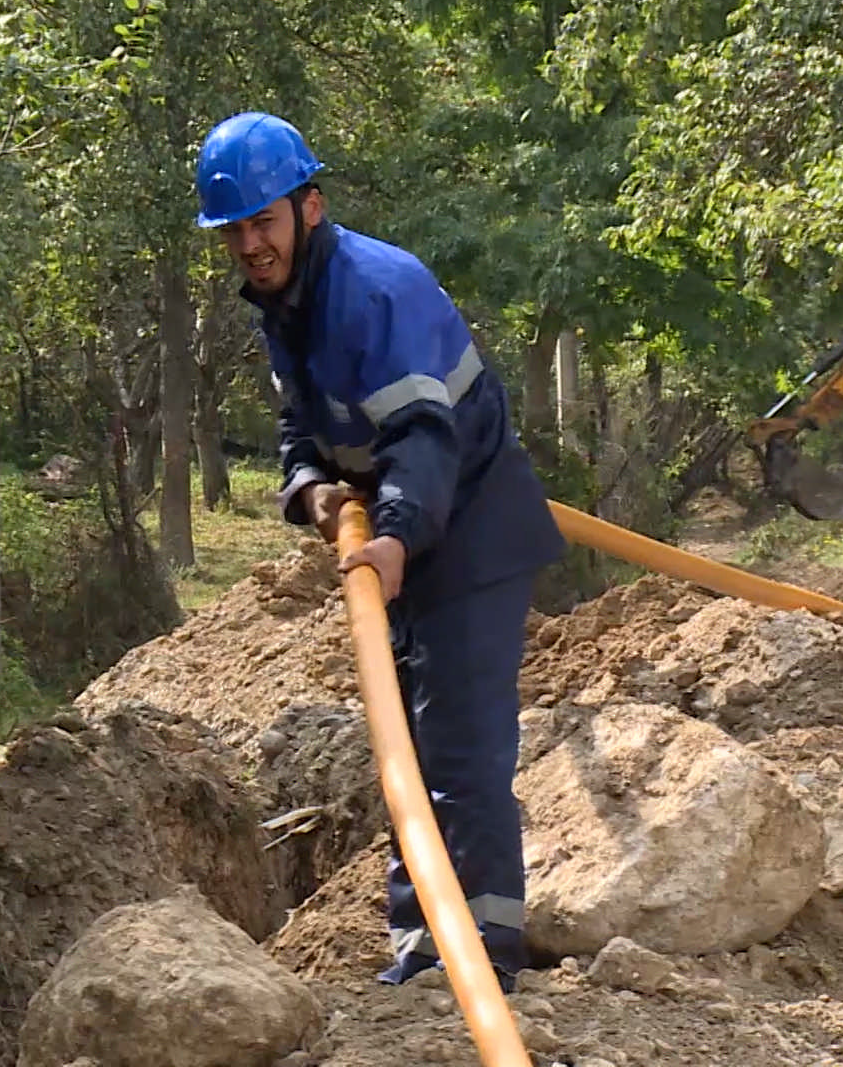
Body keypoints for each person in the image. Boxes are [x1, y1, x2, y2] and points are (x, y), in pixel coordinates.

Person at [193, 111, 565, 994]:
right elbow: (302, 423)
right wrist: (309, 489)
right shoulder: (285, 306)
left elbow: (424, 436)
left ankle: (485, 957)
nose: (250, 244)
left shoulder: (375, 290)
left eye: (263, 222)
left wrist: (392, 533)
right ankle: (423, 945)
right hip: (403, 532)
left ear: (308, 207)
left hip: (466, 530)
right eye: (234, 230)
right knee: (403, 746)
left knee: (458, 753)